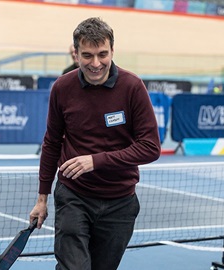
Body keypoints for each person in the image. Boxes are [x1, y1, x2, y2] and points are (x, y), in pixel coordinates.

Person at [29, 17, 161, 270]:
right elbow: (52, 143)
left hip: (120, 201)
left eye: (102, 54)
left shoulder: (132, 87)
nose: (96, 63)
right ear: (75, 53)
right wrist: (42, 198)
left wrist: (96, 161)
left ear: (113, 51)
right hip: (73, 197)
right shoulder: (62, 88)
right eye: (87, 55)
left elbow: (150, 147)